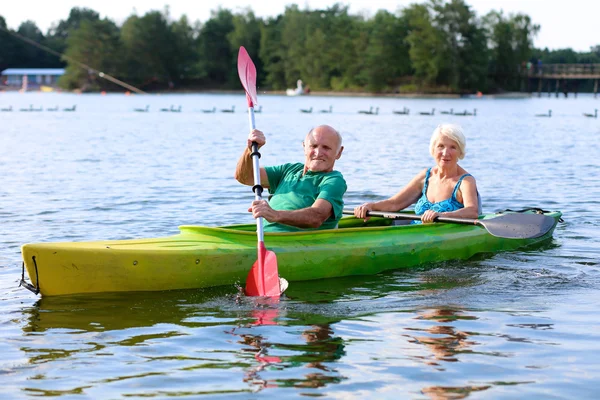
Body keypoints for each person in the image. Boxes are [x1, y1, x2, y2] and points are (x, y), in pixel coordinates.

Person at [354, 123, 481, 223]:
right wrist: (371, 206)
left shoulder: (466, 181)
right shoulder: (426, 176)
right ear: (433, 149)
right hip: (416, 234)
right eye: (441, 146)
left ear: (460, 152)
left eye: (453, 147)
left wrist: (442, 215)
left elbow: (472, 211)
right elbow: (394, 203)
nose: (445, 153)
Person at [234, 125, 346, 232]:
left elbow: (316, 217)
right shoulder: (288, 170)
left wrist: (274, 215)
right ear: (304, 147)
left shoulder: (334, 180)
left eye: (326, 147)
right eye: (313, 146)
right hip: (262, 237)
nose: (318, 152)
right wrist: (251, 150)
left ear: (339, 152)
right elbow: (245, 177)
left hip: (296, 243)